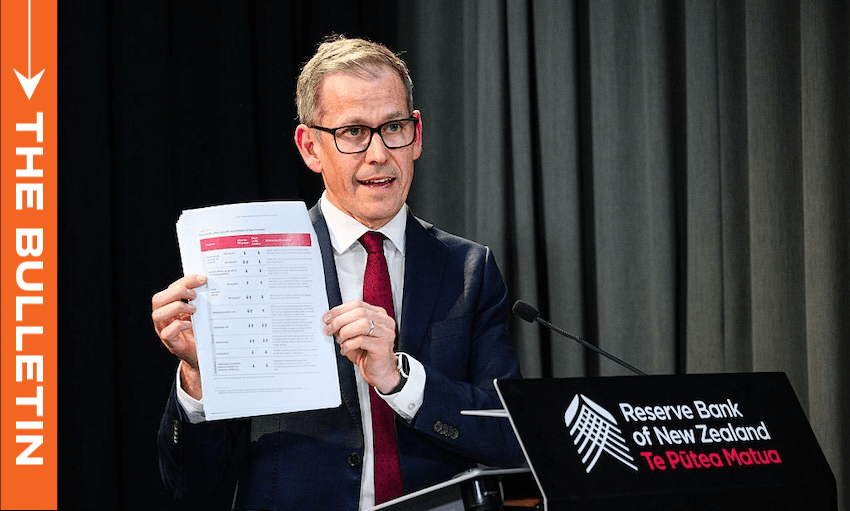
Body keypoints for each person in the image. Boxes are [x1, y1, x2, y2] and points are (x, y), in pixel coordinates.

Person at [152, 35, 523, 510]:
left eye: (393, 127)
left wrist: (401, 382)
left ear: (418, 136)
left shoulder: (470, 269)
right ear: (310, 147)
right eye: (353, 132)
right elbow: (191, 485)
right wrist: (199, 377)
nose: (378, 154)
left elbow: (510, 434)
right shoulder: (248, 269)